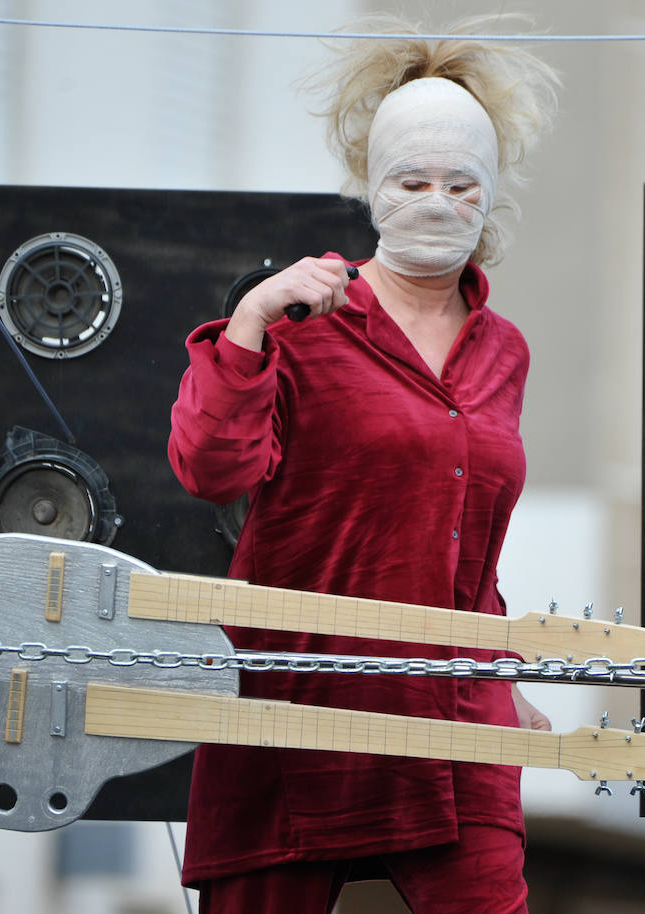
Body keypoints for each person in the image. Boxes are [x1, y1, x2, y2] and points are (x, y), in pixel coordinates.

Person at [167, 16, 559, 914]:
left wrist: (502, 674)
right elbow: (208, 469)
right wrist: (253, 320)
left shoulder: (507, 352)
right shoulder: (304, 321)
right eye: (413, 179)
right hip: (300, 712)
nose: (436, 200)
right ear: (373, 187)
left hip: (455, 715)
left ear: (489, 195)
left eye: (461, 185)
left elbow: (469, 544)